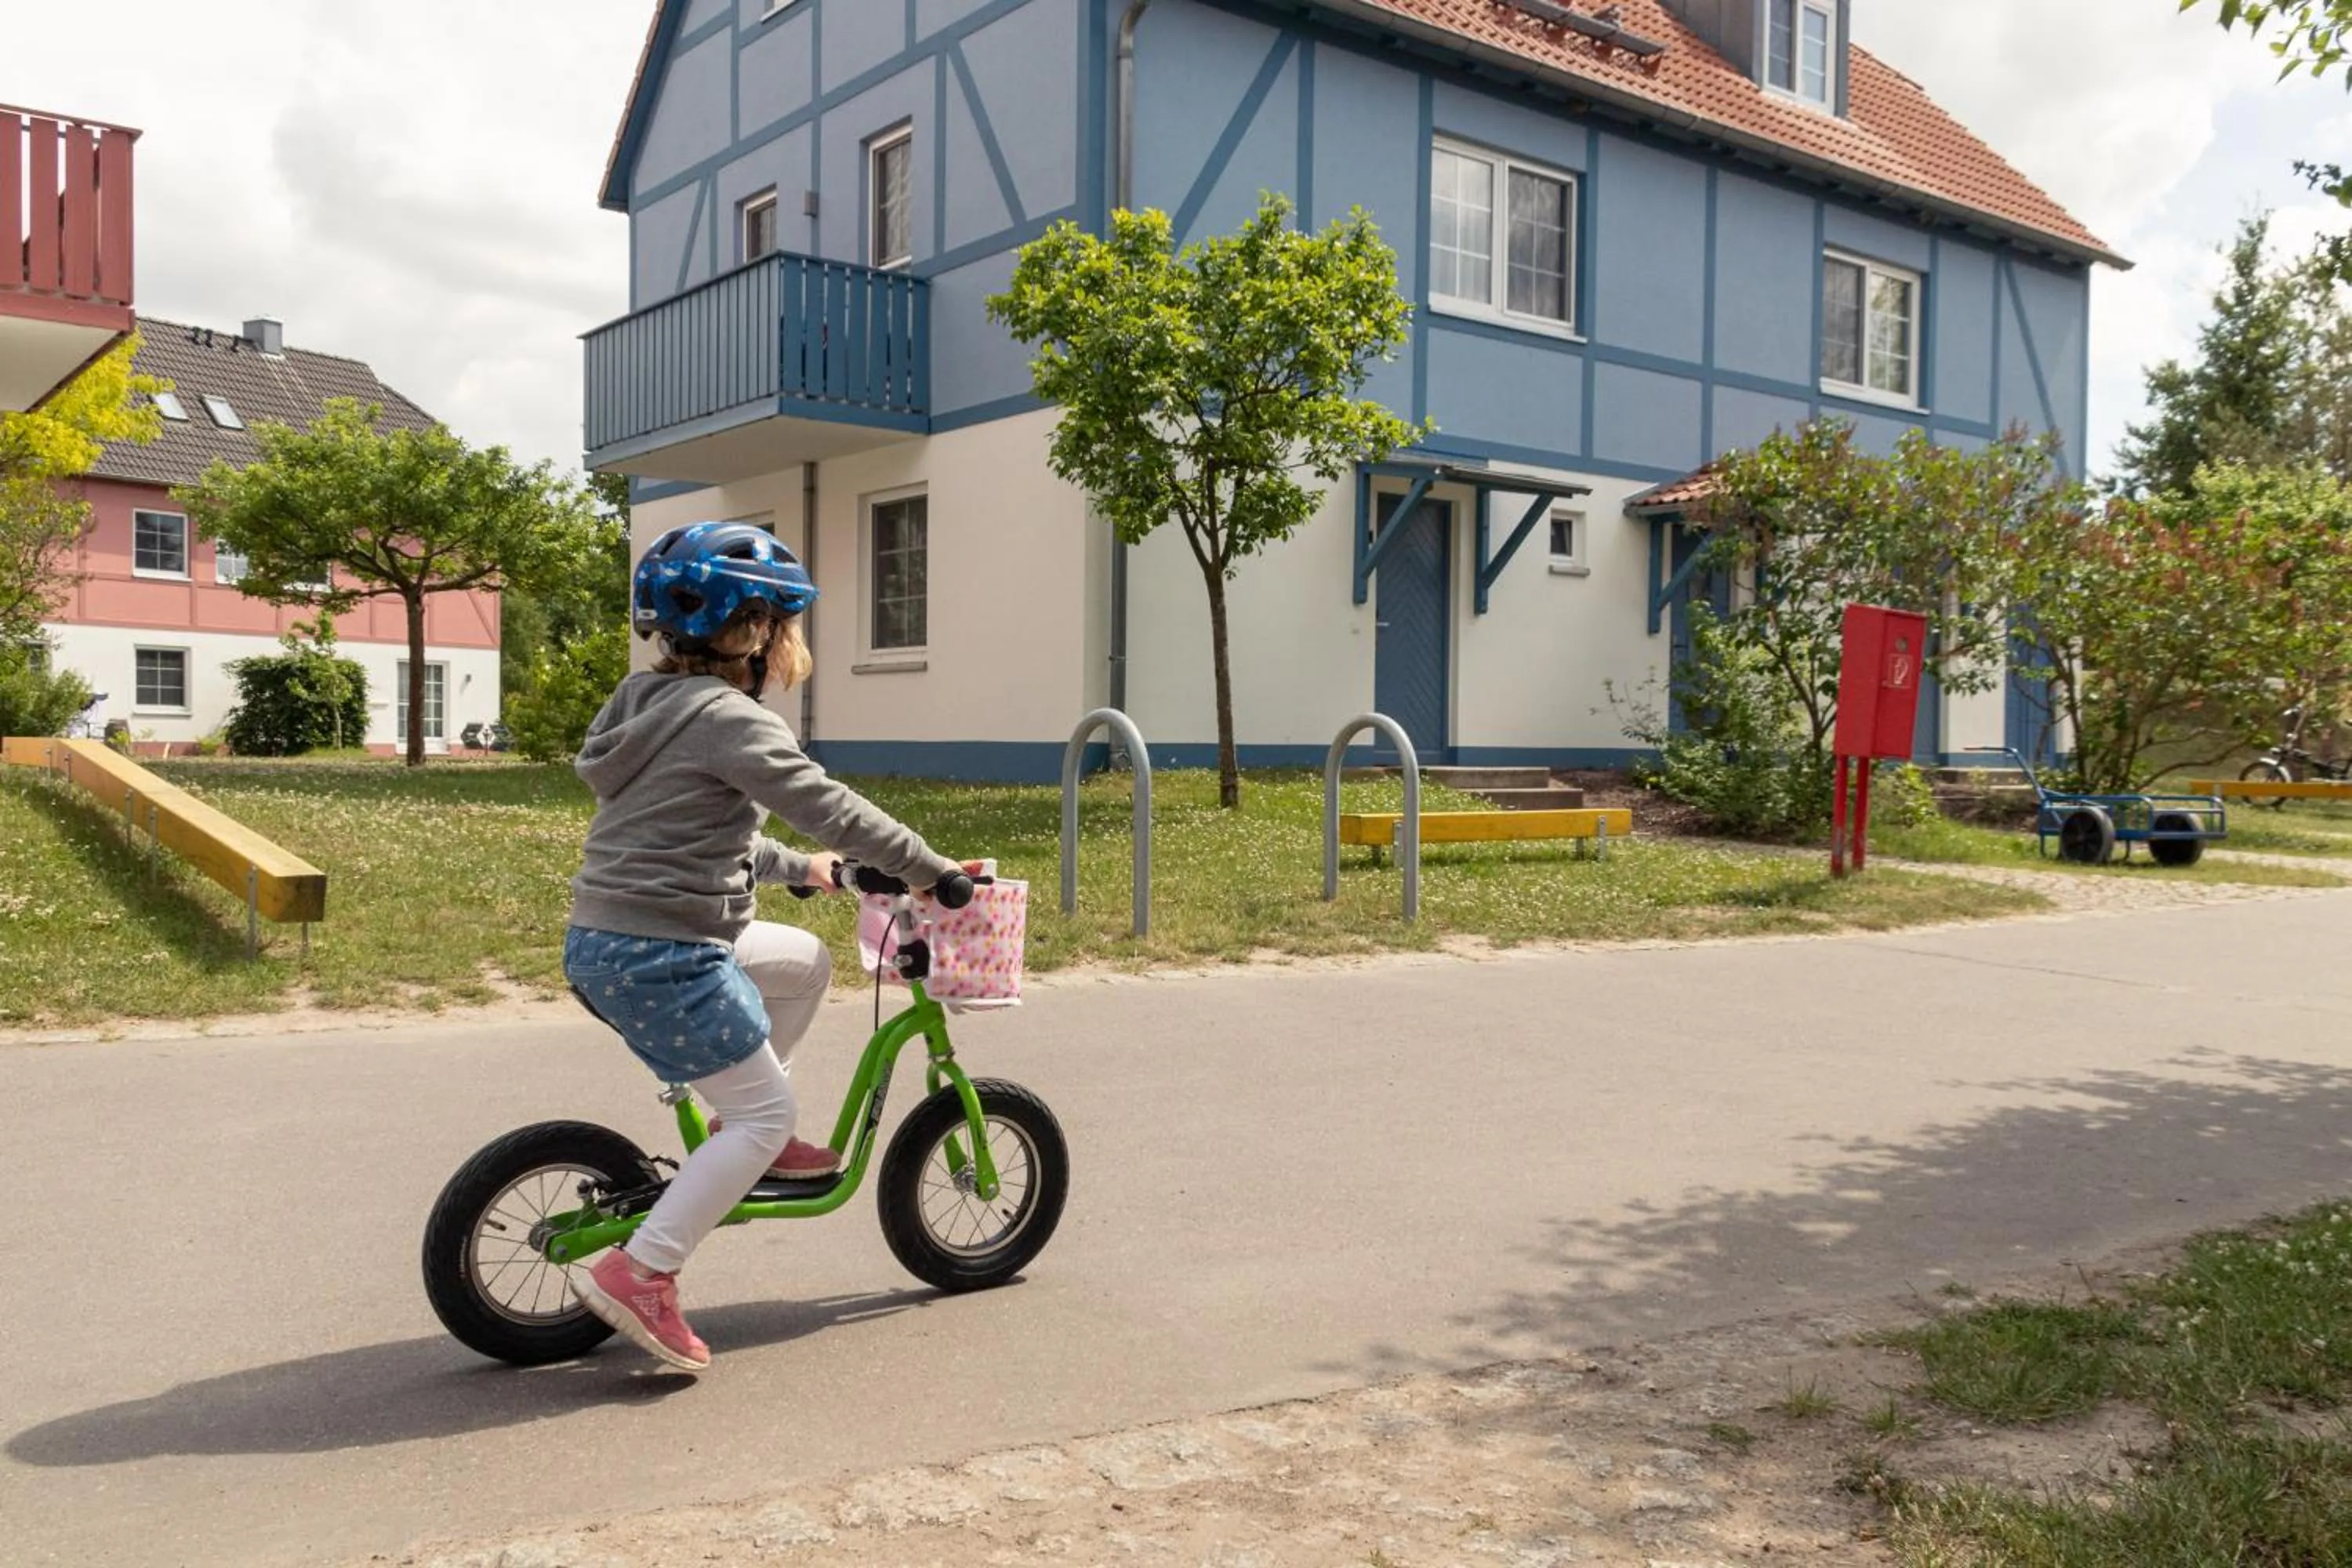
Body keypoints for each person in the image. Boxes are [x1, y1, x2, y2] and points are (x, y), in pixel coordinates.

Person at [562, 521, 962, 1371]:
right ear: (754, 631)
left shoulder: (649, 707)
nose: (794, 647)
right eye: (789, 628)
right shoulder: (733, 720)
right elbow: (832, 805)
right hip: (665, 954)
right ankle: (644, 1270)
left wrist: (804, 869)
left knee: (803, 962)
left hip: (608, 938)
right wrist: (926, 871)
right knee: (766, 1108)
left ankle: (742, 1129)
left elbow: (693, 831)